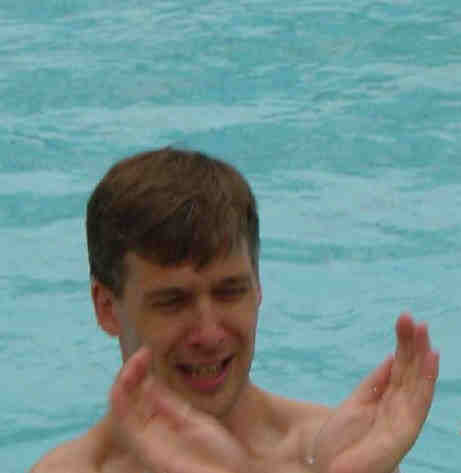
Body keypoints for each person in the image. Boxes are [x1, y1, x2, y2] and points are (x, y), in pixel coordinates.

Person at [31, 147, 439, 473]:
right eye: (173, 301)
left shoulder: (329, 456)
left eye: (230, 293)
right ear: (106, 307)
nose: (209, 334)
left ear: (258, 287)